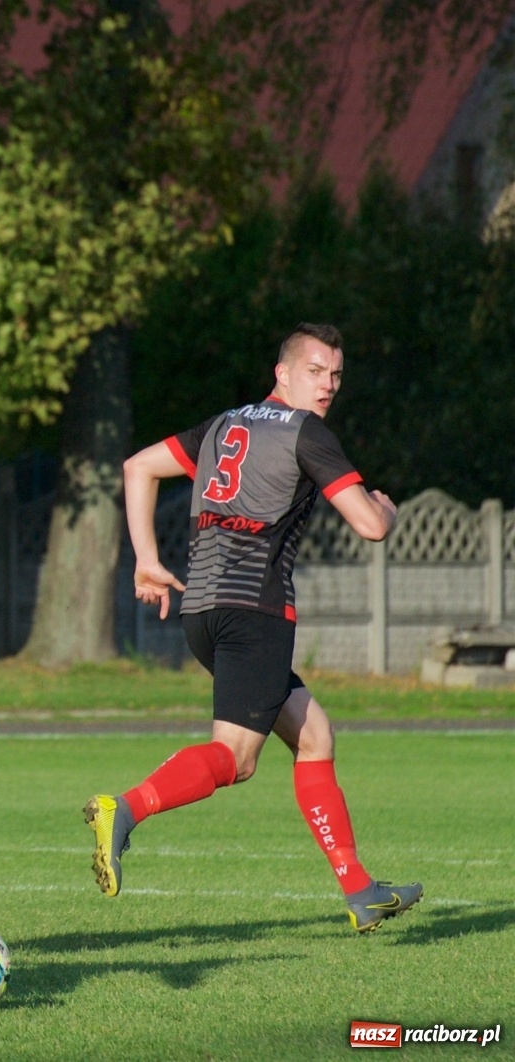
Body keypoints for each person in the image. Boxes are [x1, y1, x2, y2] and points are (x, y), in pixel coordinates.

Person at [86, 323, 422, 932]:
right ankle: (125, 808)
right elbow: (370, 526)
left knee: (313, 734)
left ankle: (361, 890)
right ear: (283, 372)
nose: (327, 385)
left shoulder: (222, 425)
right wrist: (388, 507)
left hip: (202, 614)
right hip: (257, 614)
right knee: (237, 760)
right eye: (316, 371)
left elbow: (138, 466)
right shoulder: (306, 433)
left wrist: (146, 558)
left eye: (335, 375)